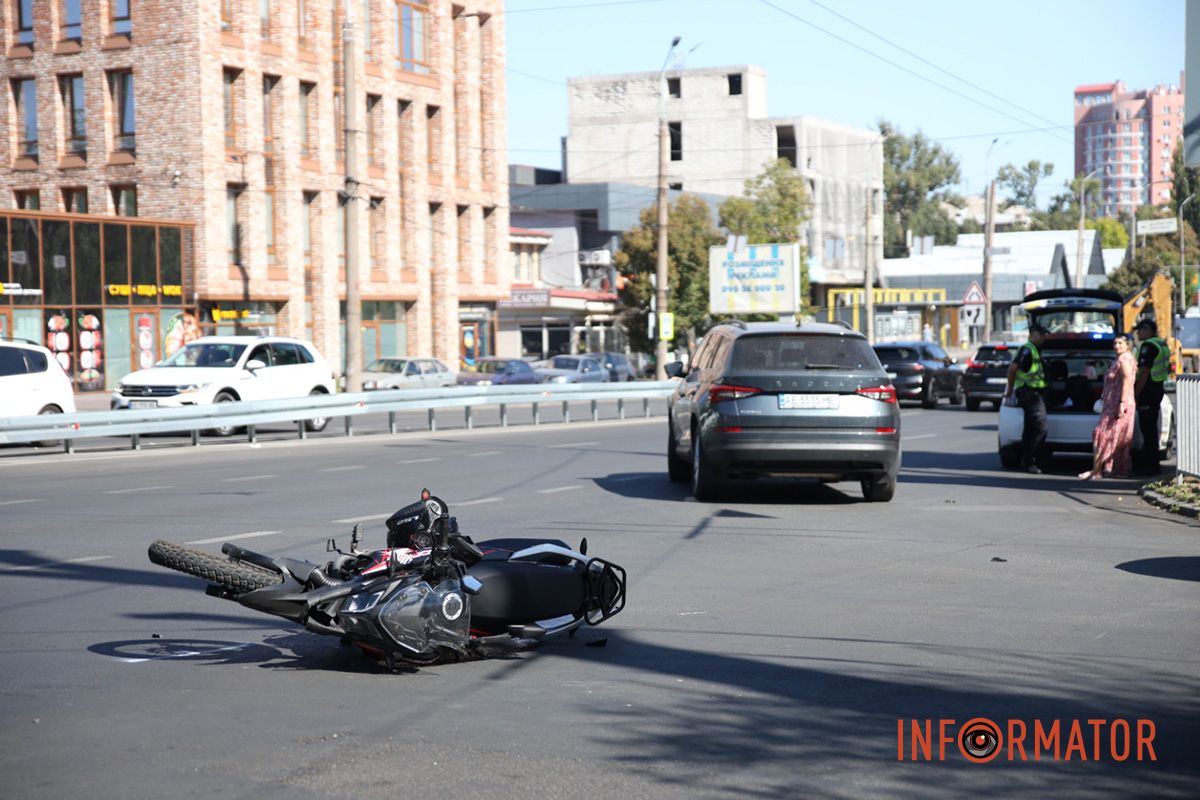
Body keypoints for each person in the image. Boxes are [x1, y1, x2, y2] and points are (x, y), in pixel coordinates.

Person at [1079, 334, 1135, 480]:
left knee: (1101, 434)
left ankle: (1096, 471)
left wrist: (1121, 403)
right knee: (1117, 437)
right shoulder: (1124, 358)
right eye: (1115, 343)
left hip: (1119, 403)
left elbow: (1127, 379)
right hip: (1115, 403)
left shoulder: (1123, 359)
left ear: (1127, 344)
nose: (1117, 346)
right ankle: (1117, 470)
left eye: (1120, 343)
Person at [1005, 323, 1049, 474]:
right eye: (1040, 334)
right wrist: (1010, 389)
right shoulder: (1027, 349)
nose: (1043, 337)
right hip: (1029, 393)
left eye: (1044, 334)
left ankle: (1028, 461)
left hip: (1034, 394)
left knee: (1030, 428)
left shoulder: (1036, 350)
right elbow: (1012, 368)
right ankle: (1031, 460)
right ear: (1031, 334)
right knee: (1039, 427)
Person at [1131, 318, 1170, 475]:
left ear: (1148, 330)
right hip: (1157, 388)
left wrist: (1136, 393)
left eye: (1139, 330)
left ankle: (1151, 467)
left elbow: (1144, 372)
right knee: (1151, 428)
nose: (1138, 333)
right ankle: (1153, 465)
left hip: (1148, 390)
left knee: (1147, 430)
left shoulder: (1149, 346)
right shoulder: (1161, 343)